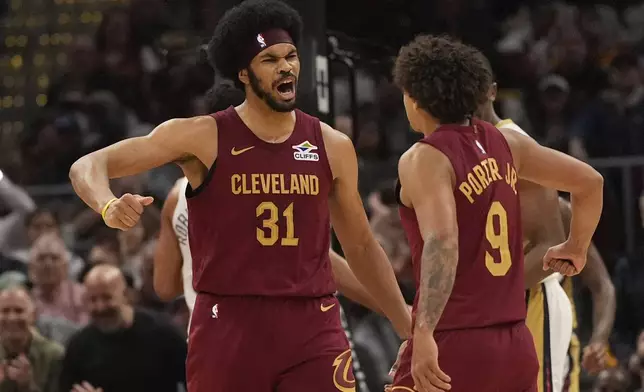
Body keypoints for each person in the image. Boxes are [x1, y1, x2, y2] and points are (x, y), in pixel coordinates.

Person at [69, 1, 412, 391]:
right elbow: (88, 165)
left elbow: (363, 248)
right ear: (244, 74)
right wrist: (107, 205)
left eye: (291, 56)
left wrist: (408, 328)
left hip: (312, 324)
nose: (286, 67)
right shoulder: (202, 136)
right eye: (269, 59)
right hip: (228, 323)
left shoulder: (331, 145)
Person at [390, 35, 603, 392]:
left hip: (455, 338)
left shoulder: (423, 157)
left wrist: (423, 330)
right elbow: (590, 183)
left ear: (413, 97)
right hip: (515, 343)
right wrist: (576, 247)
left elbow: (442, 241)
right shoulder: (509, 143)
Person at [478, 82, 616, 392]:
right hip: (496, 318)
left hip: (541, 312)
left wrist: (600, 339)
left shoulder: (561, 208)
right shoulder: (475, 169)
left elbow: (602, 285)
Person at [59, 264, 187, 392]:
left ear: (126, 295)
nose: (100, 307)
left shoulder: (163, 334)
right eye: (93, 300)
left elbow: (195, 379)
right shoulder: (79, 347)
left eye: (107, 297)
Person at [0, 285, 64, 392]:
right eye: (5, 311)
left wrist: (27, 387)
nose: (11, 318)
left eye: (19, 311)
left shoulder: (54, 355)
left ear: (33, 315)